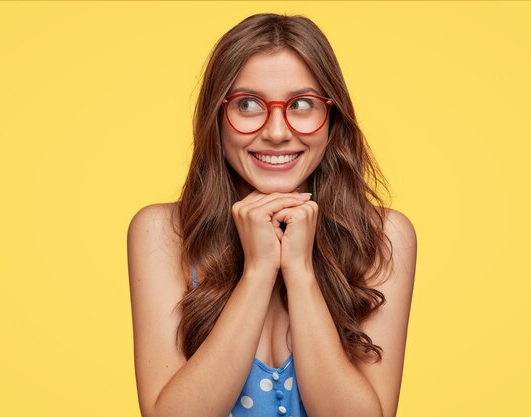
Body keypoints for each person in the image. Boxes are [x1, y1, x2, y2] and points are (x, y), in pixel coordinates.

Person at [127, 13, 417, 417]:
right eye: (248, 104)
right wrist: (258, 270)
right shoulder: (162, 233)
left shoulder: (383, 236)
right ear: (217, 116)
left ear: (331, 117)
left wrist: (300, 272)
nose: (277, 131)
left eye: (302, 104)